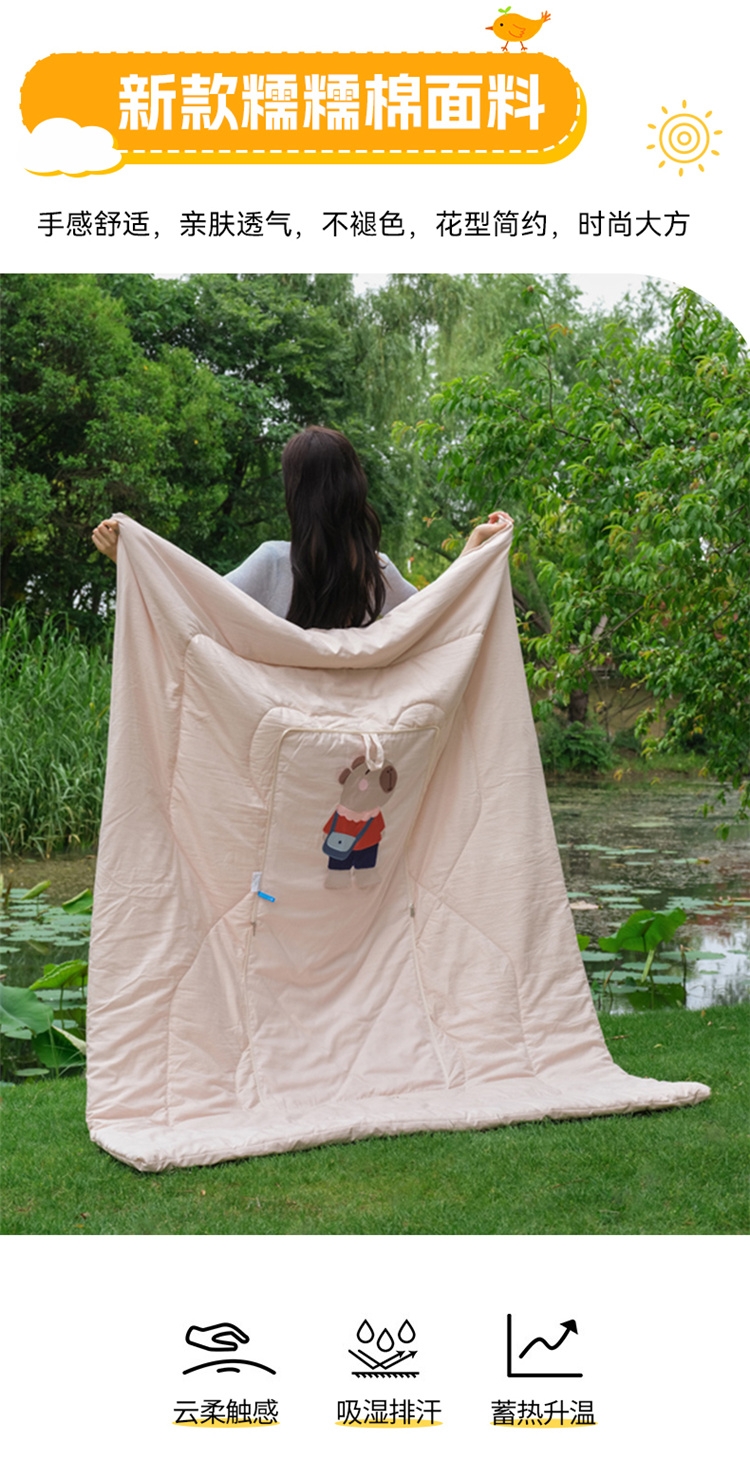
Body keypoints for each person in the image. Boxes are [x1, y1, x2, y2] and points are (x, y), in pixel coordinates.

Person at [92, 425, 512, 619]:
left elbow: (194, 605)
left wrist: (129, 560)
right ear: (354, 488)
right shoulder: (374, 572)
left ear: (297, 494)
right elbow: (436, 613)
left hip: (284, 746)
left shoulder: (272, 562)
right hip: (350, 746)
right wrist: (474, 545)